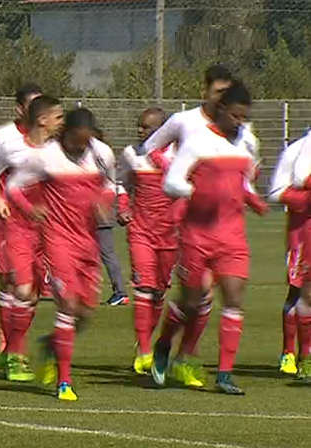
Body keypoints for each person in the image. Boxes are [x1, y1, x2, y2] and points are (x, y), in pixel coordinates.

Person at [153, 80, 266, 395]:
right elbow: (171, 182)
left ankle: (225, 374)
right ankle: (164, 342)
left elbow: (243, 183)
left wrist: (252, 198)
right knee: (192, 301)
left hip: (232, 237)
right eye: (235, 116)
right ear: (221, 109)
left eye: (244, 117)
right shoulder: (198, 142)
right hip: (197, 235)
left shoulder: (247, 143)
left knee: (234, 298)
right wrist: (196, 192)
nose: (240, 123)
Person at [8, 108, 116, 402]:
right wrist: (30, 210)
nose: (80, 148)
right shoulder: (45, 156)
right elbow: (13, 186)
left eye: (85, 142)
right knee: (67, 305)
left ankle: (50, 345)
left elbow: (111, 184)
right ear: (64, 134)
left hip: (88, 243)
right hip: (58, 242)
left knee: (85, 313)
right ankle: (64, 382)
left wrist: (104, 201)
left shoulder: (102, 153)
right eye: (75, 142)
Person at [0, 95, 64, 382]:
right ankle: (14, 354)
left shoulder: (58, 152)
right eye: (58, 117)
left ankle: (15, 351)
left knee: (34, 296)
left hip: (48, 234)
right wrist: (24, 208)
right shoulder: (17, 149)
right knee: (21, 290)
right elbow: (6, 185)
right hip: (17, 228)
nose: (61, 122)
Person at [0, 83, 42, 370]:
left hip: (43, 226)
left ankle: (13, 344)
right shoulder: (4, 138)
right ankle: (12, 350)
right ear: (20, 109)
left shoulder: (52, 141)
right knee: (13, 285)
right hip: (10, 222)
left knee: (33, 293)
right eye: (32, 105)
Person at [116, 108, 178, 374]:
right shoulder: (132, 154)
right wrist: (122, 207)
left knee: (159, 292)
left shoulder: (180, 155)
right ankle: (143, 350)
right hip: (141, 231)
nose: (140, 131)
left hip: (171, 235)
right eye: (139, 126)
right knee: (144, 287)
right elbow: (121, 183)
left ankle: (145, 342)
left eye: (146, 127)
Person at [268, 130, 311, 376]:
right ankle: (290, 353)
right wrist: (305, 198)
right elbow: (275, 192)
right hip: (302, 233)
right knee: (299, 292)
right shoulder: (297, 150)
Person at [93, 128, 130, 307]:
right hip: (96, 210)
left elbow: (116, 186)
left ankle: (120, 292)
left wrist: (121, 207)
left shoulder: (98, 159)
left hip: (98, 210)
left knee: (106, 253)